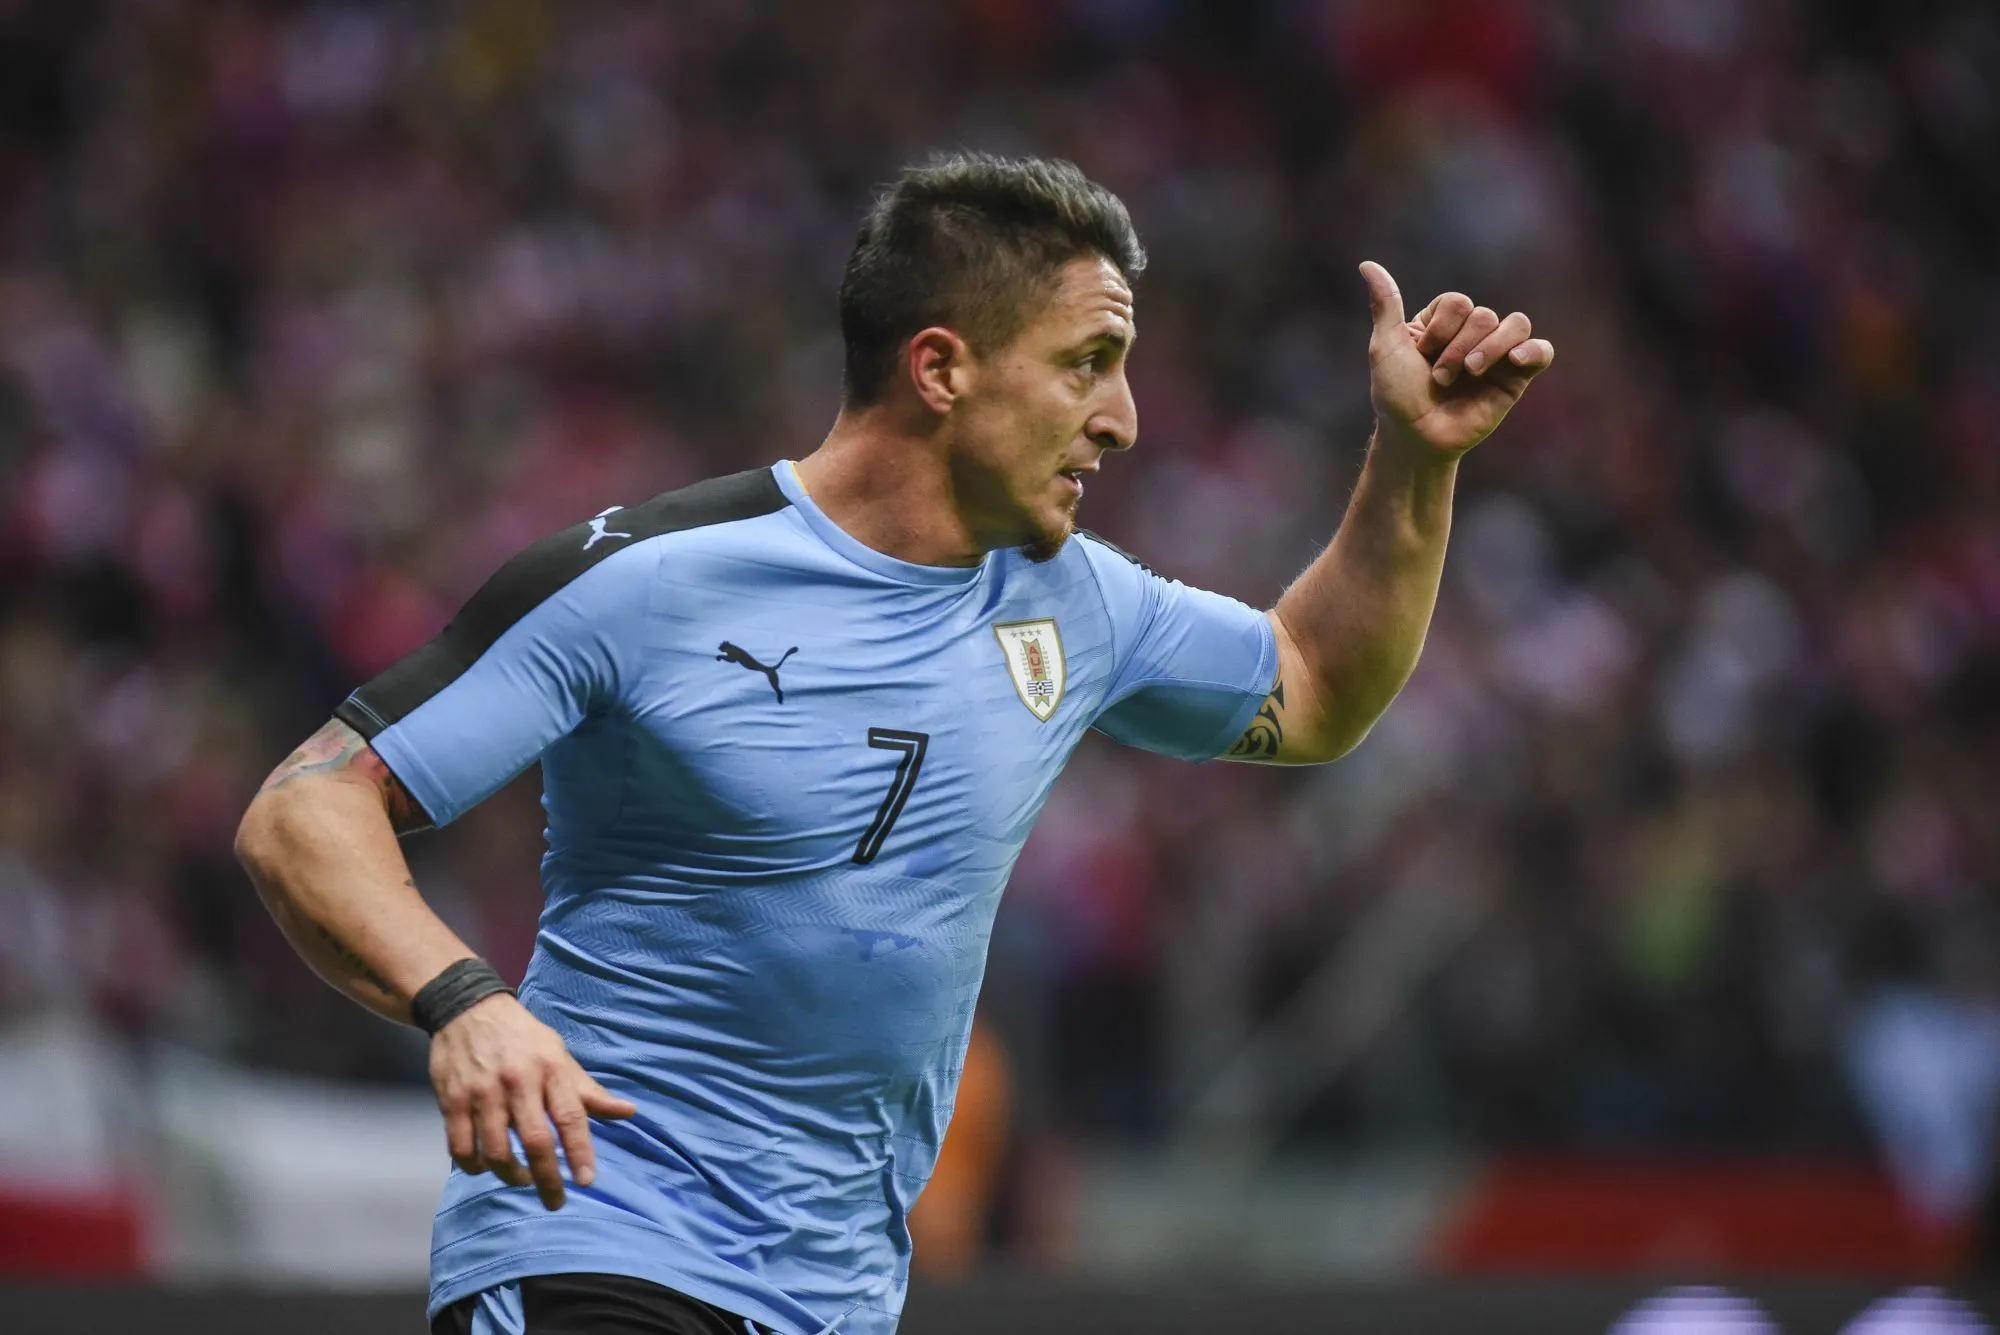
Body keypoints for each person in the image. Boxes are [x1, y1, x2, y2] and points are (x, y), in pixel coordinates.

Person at [234, 152, 1552, 1335]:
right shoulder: (650, 582)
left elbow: (1314, 686)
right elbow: (307, 807)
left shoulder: (1075, 601)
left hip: (836, 1295)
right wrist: (466, 1002)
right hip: (602, 1236)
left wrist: (1416, 457)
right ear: (940, 369)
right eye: (1087, 362)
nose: (1123, 417)